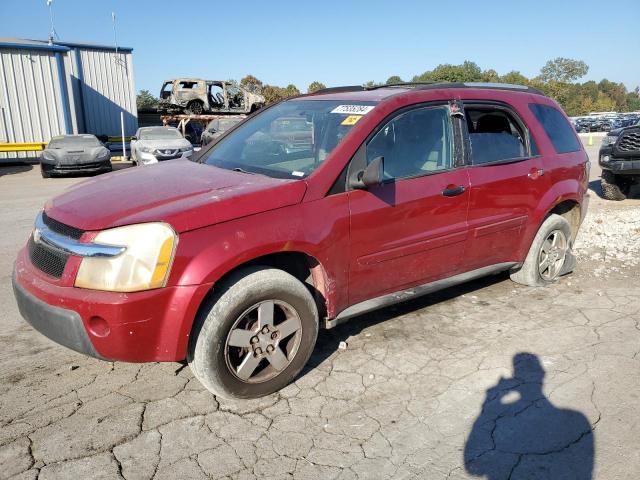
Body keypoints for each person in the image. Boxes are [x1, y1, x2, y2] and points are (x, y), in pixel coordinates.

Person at [464, 353, 594, 479]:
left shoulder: (576, 418)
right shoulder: (578, 418)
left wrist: (490, 399)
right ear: (542, 375)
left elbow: (474, 469)